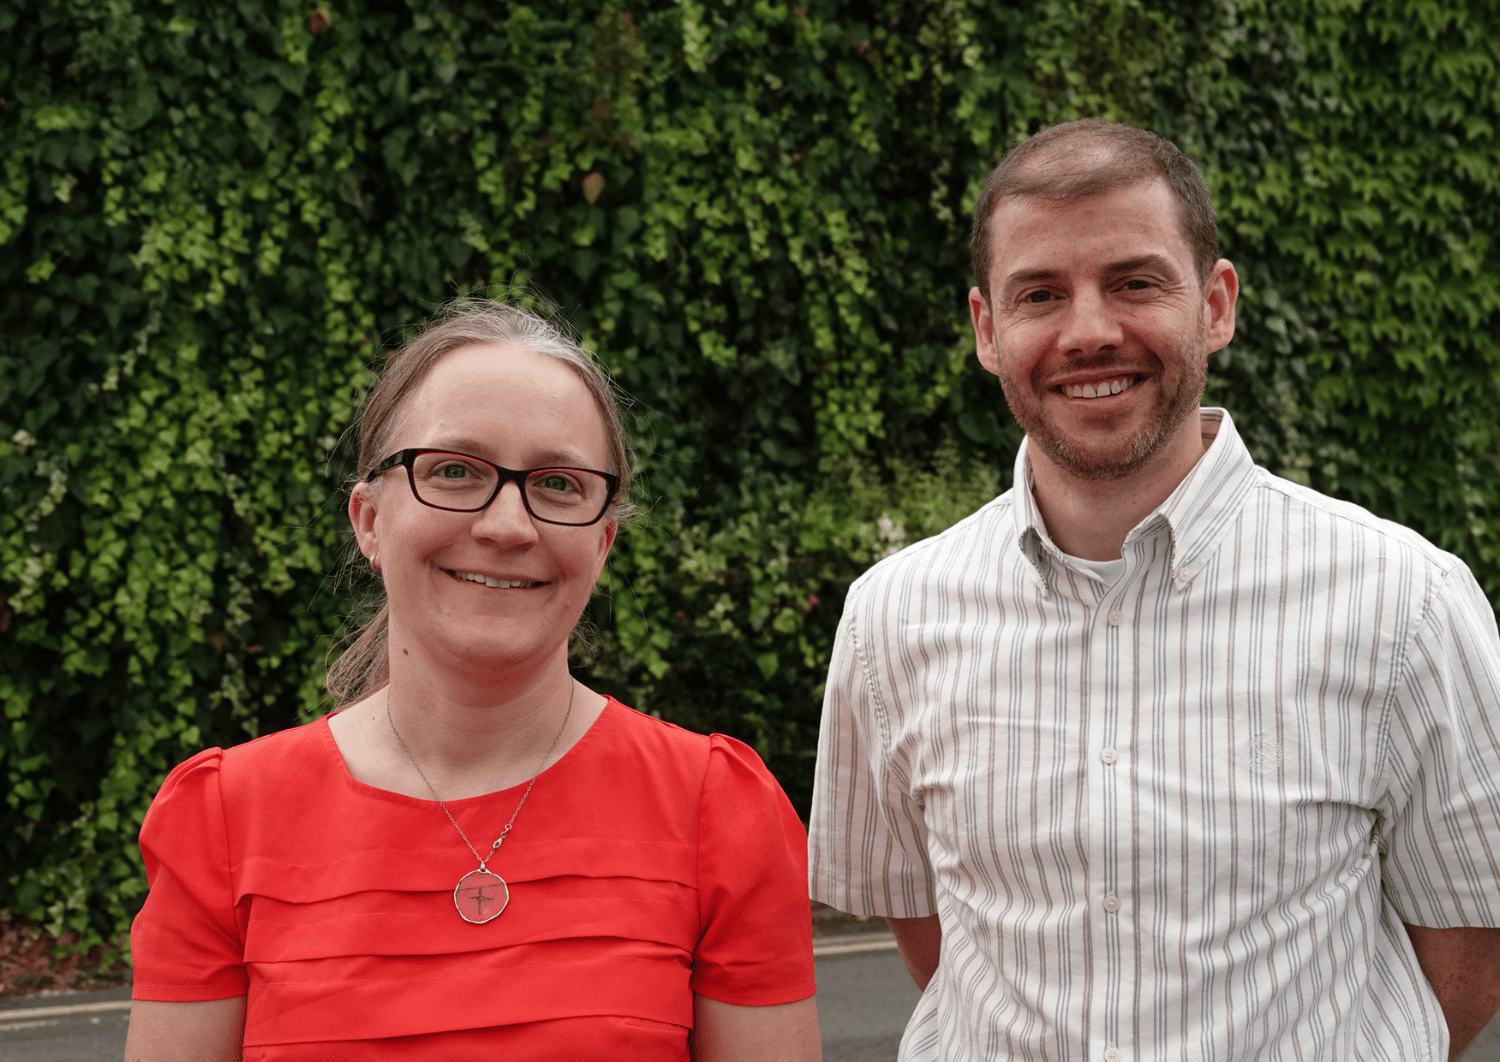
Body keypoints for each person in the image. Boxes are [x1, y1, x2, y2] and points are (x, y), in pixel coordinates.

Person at [808, 119, 1500, 1061]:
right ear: (987, 330)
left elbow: (1466, 952)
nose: (1089, 332)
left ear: (1215, 304)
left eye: (1135, 282)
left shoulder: (1405, 603)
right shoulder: (893, 619)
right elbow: (936, 941)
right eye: (1040, 294)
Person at [126, 299, 820, 1061]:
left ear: (604, 541)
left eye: (558, 484)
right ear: (368, 520)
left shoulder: (718, 812)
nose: (507, 525)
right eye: (455, 471)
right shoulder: (224, 821)